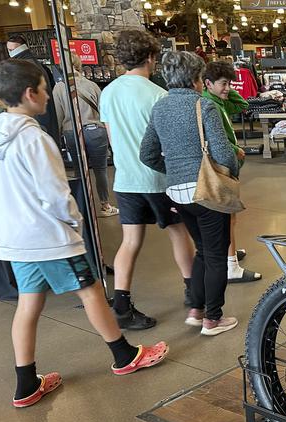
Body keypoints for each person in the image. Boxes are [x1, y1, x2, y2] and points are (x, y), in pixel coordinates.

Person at [0, 59, 169, 408]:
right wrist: (74, 223)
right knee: (92, 292)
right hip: (50, 238)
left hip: (16, 240)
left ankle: (26, 384)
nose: (49, 98)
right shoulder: (35, 139)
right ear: (29, 93)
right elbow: (54, 193)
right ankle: (124, 355)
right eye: (44, 89)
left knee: (28, 304)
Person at [100, 29, 195, 331]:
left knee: (130, 241)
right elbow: (167, 143)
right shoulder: (158, 95)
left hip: (125, 178)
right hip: (157, 179)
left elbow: (111, 138)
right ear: (152, 57)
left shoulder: (109, 92)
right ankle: (194, 294)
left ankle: (122, 305)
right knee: (179, 232)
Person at [140, 51, 240, 337]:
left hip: (177, 193)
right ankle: (213, 318)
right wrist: (232, 168)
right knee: (217, 256)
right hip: (207, 191)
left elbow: (146, 154)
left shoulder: (159, 108)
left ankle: (196, 310)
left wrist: (172, 169)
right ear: (197, 79)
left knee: (203, 252)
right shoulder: (203, 106)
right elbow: (223, 154)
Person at [201, 60, 261, 284]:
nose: (228, 88)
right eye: (223, 83)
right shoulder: (211, 105)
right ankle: (231, 266)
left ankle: (229, 256)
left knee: (227, 217)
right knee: (228, 216)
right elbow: (216, 139)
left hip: (224, 165)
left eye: (230, 83)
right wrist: (236, 151)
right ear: (207, 83)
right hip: (221, 167)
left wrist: (226, 90)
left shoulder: (217, 101)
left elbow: (242, 104)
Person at [52, 51, 117, 217]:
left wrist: (58, 137)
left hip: (72, 132)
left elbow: (58, 116)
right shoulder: (92, 85)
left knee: (79, 170)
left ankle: (84, 206)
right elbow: (104, 112)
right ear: (79, 65)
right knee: (100, 169)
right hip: (95, 131)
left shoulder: (59, 88)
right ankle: (105, 205)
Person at [6, 34, 61, 144]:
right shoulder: (34, 64)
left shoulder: (22, 68)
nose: (10, 53)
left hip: (37, 120)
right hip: (45, 119)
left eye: (12, 50)